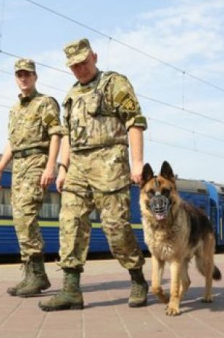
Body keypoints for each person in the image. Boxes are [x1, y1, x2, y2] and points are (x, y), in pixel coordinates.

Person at [38, 38, 149, 311]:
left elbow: (134, 122)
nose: (79, 69)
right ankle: (71, 290)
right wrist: (63, 168)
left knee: (115, 228)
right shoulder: (71, 95)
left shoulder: (114, 84)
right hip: (78, 166)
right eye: (74, 66)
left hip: (110, 162)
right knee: (70, 223)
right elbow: (68, 136)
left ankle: (137, 279)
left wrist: (137, 163)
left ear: (95, 57)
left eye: (83, 63)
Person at [0, 58, 62, 297]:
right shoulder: (14, 109)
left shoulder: (46, 103)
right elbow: (12, 142)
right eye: (19, 74)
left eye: (27, 74)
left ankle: (38, 276)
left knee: (26, 215)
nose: (23, 78)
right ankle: (30, 274)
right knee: (19, 218)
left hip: (36, 162)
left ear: (35, 77)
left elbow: (55, 135)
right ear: (16, 78)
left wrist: (51, 166)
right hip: (18, 166)